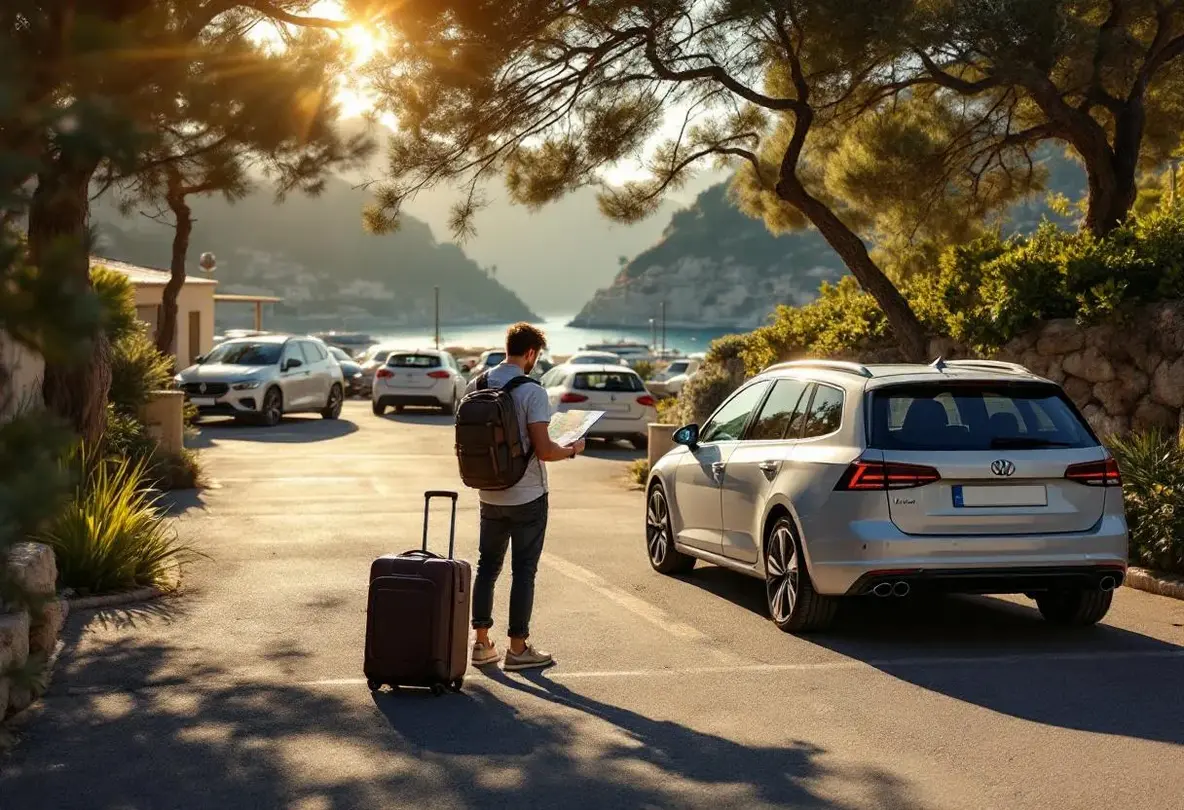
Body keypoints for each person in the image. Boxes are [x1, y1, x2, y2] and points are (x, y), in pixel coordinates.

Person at [468, 322, 584, 671]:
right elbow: (546, 451)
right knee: (523, 571)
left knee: (486, 567)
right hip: (527, 495)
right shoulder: (532, 391)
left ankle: (481, 644)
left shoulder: (478, 384)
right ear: (531, 353)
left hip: (489, 492)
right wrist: (573, 448)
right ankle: (517, 649)